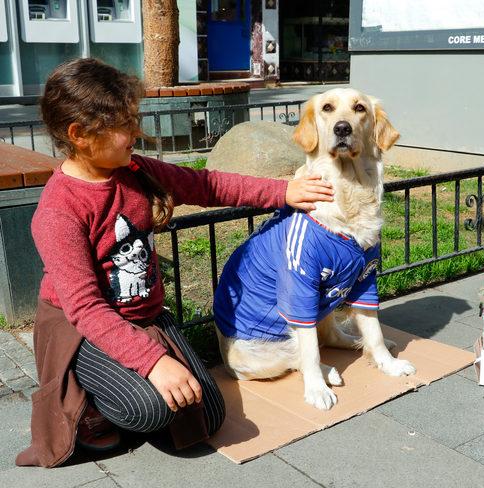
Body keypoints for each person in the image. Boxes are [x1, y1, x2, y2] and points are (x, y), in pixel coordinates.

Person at [15, 57, 334, 468]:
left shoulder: (133, 169)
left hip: (144, 317)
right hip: (83, 331)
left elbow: (208, 184)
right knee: (148, 409)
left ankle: (127, 385)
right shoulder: (59, 210)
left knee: (209, 415)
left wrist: (284, 192)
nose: (135, 131)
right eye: (124, 124)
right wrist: (154, 362)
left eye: (133, 118)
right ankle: (89, 402)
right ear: (78, 134)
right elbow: (86, 309)